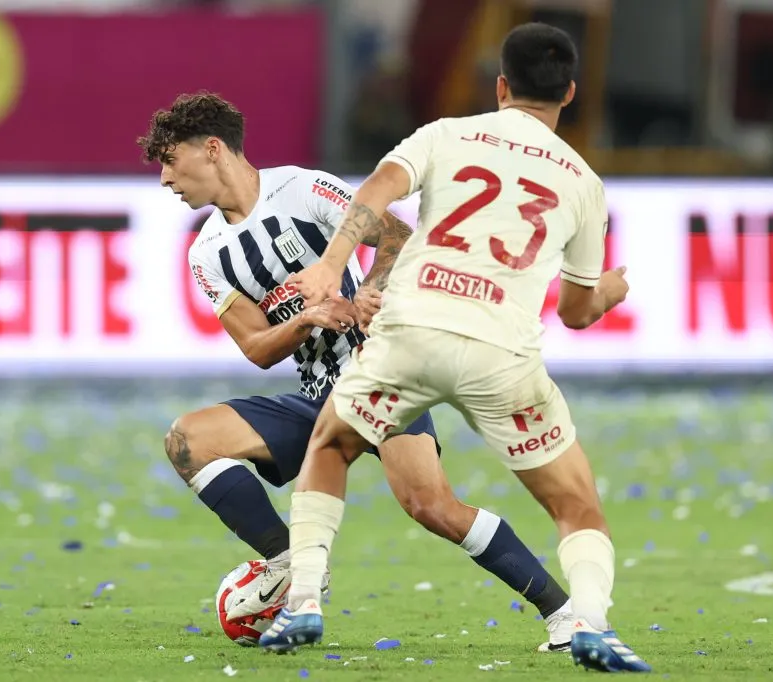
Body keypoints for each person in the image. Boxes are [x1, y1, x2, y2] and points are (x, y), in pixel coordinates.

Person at [259, 24, 651, 673]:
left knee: (330, 444)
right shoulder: (584, 182)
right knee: (575, 503)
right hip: (502, 353)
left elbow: (377, 190)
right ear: (570, 93)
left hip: (411, 331)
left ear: (500, 86)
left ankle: (302, 600)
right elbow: (577, 313)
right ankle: (589, 620)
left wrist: (330, 263)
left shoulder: (446, 135)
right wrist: (608, 292)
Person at [135, 92, 578, 649]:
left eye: (170, 161)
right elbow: (256, 347)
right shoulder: (206, 254)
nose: (165, 179)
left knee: (432, 506)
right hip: (319, 396)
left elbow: (397, 237)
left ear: (213, 150)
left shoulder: (304, 190)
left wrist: (370, 288)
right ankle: (289, 561)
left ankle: (564, 614)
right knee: (188, 441)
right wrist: (308, 319)